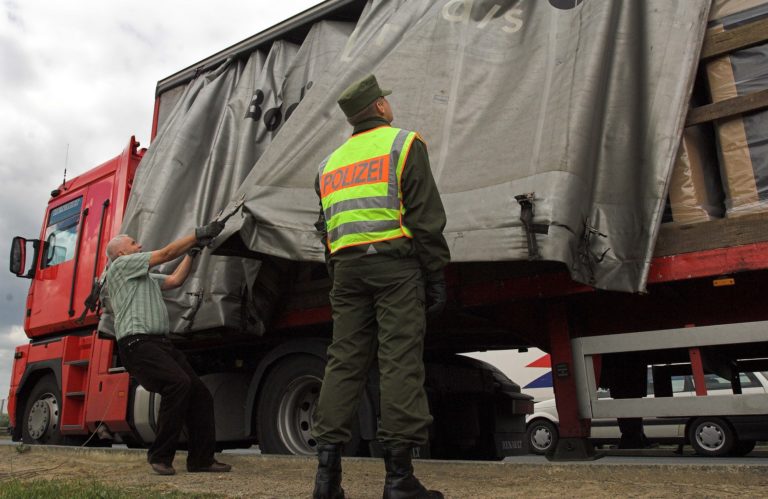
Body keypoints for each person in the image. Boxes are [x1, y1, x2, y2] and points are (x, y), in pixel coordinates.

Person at [311, 74, 450, 499]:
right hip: (394, 267)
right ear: (381, 108)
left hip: (347, 272)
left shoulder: (328, 164)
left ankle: (326, 480)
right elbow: (425, 217)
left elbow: (325, 227)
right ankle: (398, 479)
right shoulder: (404, 145)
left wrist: (340, 270)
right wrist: (437, 275)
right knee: (399, 361)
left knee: (343, 362)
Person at [104, 222, 231, 476]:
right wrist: (196, 235)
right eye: (133, 243)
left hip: (160, 344)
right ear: (122, 253)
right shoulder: (119, 267)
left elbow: (175, 280)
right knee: (178, 384)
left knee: (200, 394)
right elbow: (164, 255)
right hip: (137, 343)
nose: (139, 245)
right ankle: (160, 456)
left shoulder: (144, 277)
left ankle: (201, 460)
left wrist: (192, 253)